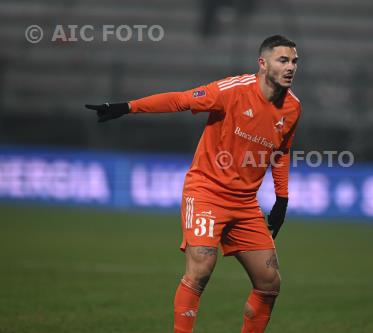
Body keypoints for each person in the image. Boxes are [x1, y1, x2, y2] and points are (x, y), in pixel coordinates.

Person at [86, 34, 300, 333]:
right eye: (283, 60)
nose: (290, 67)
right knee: (201, 267)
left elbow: (282, 151)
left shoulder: (292, 108)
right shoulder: (231, 90)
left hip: (245, 203)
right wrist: (127, 107)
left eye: (294, 61)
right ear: (262, 64)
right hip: (207, 192)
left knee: (269, 283)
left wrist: (282, 199)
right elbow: (181, 100)